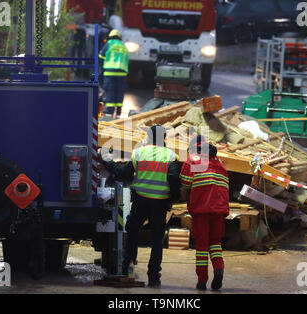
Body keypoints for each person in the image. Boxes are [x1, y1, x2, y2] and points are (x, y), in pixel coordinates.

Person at [99, 125, 180, 286]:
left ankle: (128, 269)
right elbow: (173, 179)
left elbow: (122, 173)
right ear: (163, 138)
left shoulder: (139, 153)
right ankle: (154, 277)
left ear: (149, 137)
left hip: (140, 201)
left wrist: (105, 159)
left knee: (133, 232)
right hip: (160, 203)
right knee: (157, 239)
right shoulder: (170, 156)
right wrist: (173, 199)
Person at [180, 135, 229, 291]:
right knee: (215, 243)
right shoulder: (219, 163)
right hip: (219, 209)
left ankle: (202, 281)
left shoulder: (193, 158)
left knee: (202, 246)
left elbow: (185, 183)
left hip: (202, 209)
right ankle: (219, 269)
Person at [98, 29, 129, 119]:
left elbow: (101, 57)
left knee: (110, 90)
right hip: (122, 72)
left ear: (110, 36)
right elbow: (127, 59)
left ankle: (110, 111)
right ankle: (119, 111)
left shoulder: (109, 44)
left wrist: (101, 69)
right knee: (119, 91)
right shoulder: (124, 46)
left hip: (110, 72)